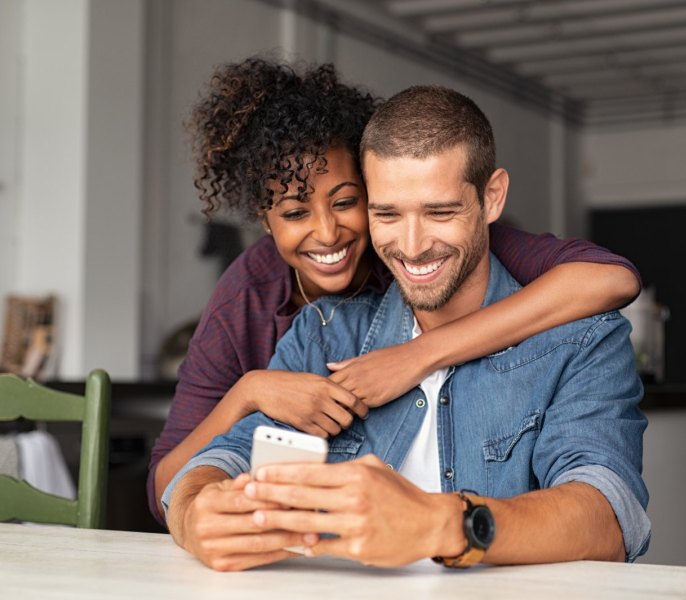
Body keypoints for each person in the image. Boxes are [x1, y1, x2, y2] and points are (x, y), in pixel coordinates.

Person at [161, 85, 650, 572]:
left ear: (492, 197)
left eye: (440, 212)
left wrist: (441, 524)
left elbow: (608, 517)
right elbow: (217, 460)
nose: (413, 246)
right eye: (387, 214)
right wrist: (194, 514)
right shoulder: (323, 333)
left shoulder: (582, 339)